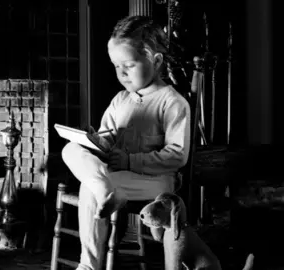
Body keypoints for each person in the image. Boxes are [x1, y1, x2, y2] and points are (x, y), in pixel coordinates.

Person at [61, 15, 191, 270]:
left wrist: (131, 160)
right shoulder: (120, 100)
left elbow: (177, 155)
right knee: (70, 149)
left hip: (155, 181)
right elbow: (108, 136)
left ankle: (89, 265)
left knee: (89, 188)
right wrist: (96, 141)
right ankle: (105, 188)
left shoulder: (172, 102)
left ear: (155, 60)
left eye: (128, 65)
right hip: (117, 176)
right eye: (115, 66)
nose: (121, 73)